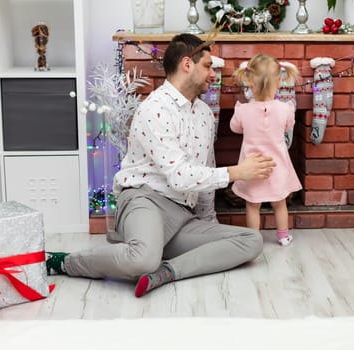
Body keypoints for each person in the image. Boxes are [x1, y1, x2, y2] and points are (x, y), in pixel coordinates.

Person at [45, 33, 276, 297]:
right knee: (141, 259)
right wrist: (237, 172)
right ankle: (66, 262)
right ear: (187, 64)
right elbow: (179, 176)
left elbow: (205, 169)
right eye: (208, 66)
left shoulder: (203, 114)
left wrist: (208, 224)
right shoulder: (154, 109)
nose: (213, 74)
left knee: (251, 240)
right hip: (145, 200)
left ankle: (166, 272)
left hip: (183, 214)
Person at [230, 53, 302, 246]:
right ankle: (283, 236)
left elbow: (234, 128)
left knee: (253, 205)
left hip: (252, 167)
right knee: (280, 203)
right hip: (277, 166)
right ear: (279, 81)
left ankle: (254, 239)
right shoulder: (285, 109)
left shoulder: (243, 111)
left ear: (249, 82)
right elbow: (289, 126)